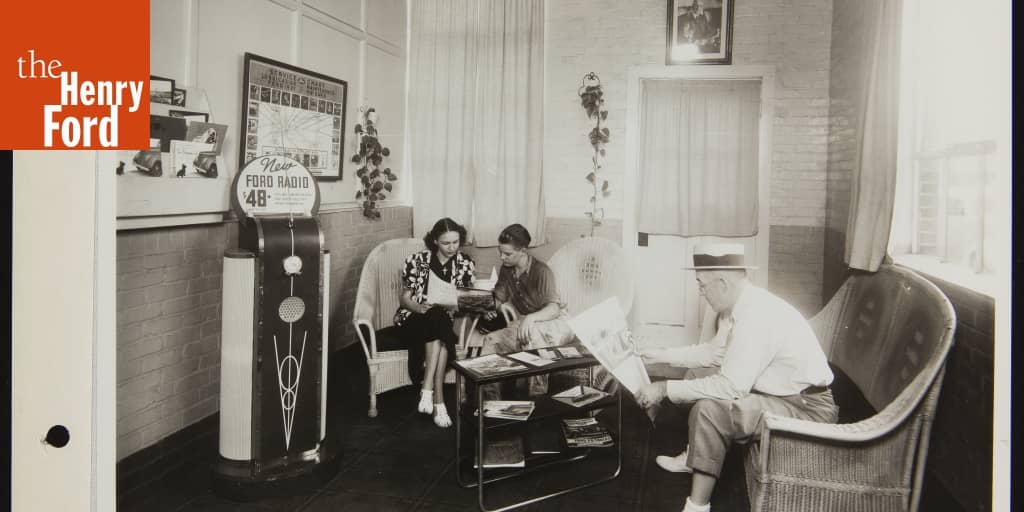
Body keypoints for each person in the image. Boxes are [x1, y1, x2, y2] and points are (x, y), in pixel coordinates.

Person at [635, 243, 837, 512]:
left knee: (709, 410)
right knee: (696, 376)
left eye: (702, 285)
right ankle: (695, 457)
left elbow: (730, 387)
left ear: (722, 283)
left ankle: (697, 507)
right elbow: (712, 354)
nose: (701, 293)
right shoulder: (742, 307)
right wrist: (657, 355)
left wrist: (663, 388)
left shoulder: (757, 316)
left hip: (806, 409)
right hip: (781, 395)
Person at [394, 217, 476, 427]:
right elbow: (404, 299)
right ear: (435, 241)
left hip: (442, 320)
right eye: (446, 243)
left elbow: (464, 301)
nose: (452, 247)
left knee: (438, 318)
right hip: (413, 318)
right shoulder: (417, 261)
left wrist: (457, 304)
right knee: (437, 320)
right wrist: (419, 307)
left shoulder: (465, 263)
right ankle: (437, 399)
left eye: (456, 242)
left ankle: (429, 391)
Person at [475, 224, 575, 396]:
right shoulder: (507, 270)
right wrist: (489, 308)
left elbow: (554, 309)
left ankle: (537, 400)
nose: (502, 257)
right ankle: (490, 402)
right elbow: (498, 297)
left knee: (532, 337)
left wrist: (531, 319)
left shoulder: (541, 271)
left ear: (523, 250)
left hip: (555, 322)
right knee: (491, 340)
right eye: (500, 252)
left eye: (507, 254)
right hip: (528, 322)